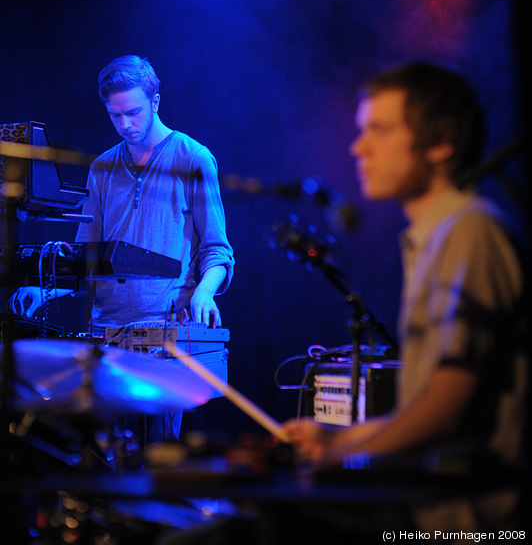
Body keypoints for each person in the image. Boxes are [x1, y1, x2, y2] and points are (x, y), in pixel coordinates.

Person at [282, 61, 528, 534]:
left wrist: (343, 450)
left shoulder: (471, 230)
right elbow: (420, 410)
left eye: (380, 130)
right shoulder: (434, 237)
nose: (359, 147)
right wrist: (336, 435)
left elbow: (446, 407)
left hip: (472, 522)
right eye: (362, 130)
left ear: (439, 145)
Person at [9, 54, 234, 440]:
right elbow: (85, 259)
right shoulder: (101, 168)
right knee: (101, 458)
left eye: (134, 113)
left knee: (156, 456)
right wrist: (44, 289)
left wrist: (205, 291)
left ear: (156, 101)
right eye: (115, 116)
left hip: (164, 330)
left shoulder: (193, 158)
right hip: (105, 332)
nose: (125, 125)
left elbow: (217, 249)